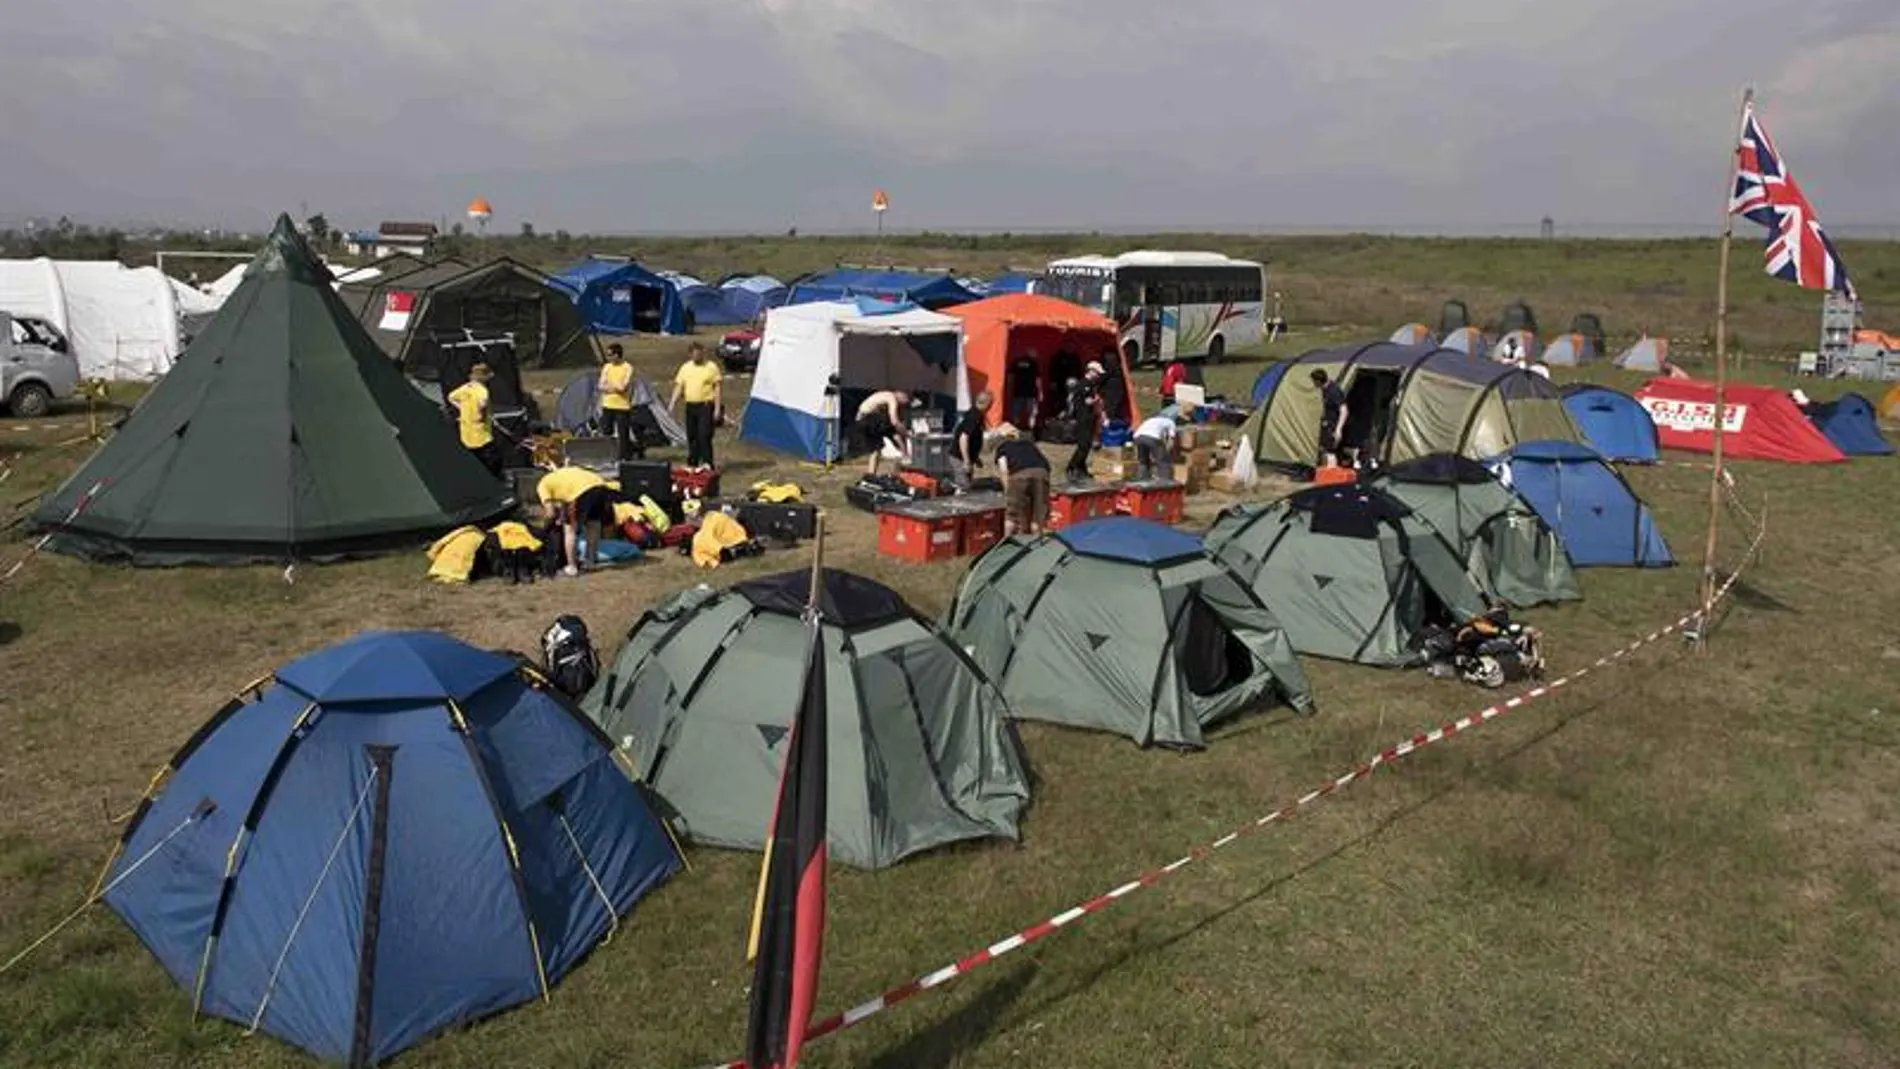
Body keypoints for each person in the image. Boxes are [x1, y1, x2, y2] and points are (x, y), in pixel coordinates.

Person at [536, 465, 616, 576]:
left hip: (580, 491)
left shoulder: (542, 484)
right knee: (593, 524)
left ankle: (572, 567)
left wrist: (543, 531)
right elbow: (564, 500)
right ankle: (590, 562)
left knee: (569, 530)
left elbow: (550, 513)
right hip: (600, 486)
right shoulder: (562, 473)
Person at [669, 342, 723, 469]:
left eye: (699, 354)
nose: (697, 356)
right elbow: (679, 386)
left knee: (704, 435)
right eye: (694, 354)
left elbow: (717, 388)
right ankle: (692, 463)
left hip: (705, 405)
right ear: (690, 354)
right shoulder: (685, 368)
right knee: (692, 436)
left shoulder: (711, 367)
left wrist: (717, 408)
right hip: (690, 406)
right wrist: (672, 403)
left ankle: (707, 463)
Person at [993, 424, 1051, 536]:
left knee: (1012, 516)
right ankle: (1037, 545)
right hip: (1042, 472)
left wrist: (1007, 490)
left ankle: (1007, 544)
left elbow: (1004, 470)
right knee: (1038, 517)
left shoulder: (1003, 447)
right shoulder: (1029, 444)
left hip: (1019, 474)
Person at [446, 362, 502, 476]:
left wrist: (462, 408)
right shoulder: (482, 390)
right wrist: (482, 412)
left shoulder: (465, 388)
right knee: (493, 459)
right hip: (481, 432)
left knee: (472, 459)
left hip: (466, 431)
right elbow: (483, 402)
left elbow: (451, 397)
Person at [852, 389, 912, 475]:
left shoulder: (884, 396)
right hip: (867, 420)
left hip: (861, 421)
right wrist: (906, 433)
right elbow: (894, 420)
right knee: (896, 432)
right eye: (905, 402)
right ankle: (905, 457)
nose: (904, 405)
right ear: (902, 396)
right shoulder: (891, 397)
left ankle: (871, 475)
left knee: (876, 450)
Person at [1063, 362, 1105, 482]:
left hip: (1090, 417)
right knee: (1083, 445)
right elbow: (1086, 402)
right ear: (1090, 371)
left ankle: (1082, 469)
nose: (1098, 376)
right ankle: (1071, 467)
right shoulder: (1083, 384)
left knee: (1087, 446)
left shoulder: (1091, 384)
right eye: (1097, 373)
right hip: (1083, 418)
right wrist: (1096, 400)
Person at [597, 344, 637, 461]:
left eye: (610, 355)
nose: (608, 357)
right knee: (606, 433)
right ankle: (608, 456)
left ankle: (624, 457)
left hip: (622, 406)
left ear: (617, 355)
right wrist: (614, 387)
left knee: (623, 434)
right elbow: (601, 385)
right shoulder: (607, 367)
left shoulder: (627, 368)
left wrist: (610, 385)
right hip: (607, 405)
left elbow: (623, 387)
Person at [951, 391, 991, 490]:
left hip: (966, 457)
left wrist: (975, 457)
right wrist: (966, 460)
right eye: (990, 404)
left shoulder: (977, 414)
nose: (990, 407)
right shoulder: (974, 417)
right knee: (964, 487)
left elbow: (973, 438)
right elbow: (963, 438)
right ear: (986, 404)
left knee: (968, 484)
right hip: (959, 457)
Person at [1132, 409, 1183, 482]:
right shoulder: (1170, 422)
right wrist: (1168, 452)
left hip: (1138, 438)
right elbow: (1172, 439)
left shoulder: (1151, 420)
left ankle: (1143, 479)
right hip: (1152, 437)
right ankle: (1166, 480)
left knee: (1143, 460)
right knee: (1163, 460)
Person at [1311, 368, 1347, 467]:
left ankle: (1331, 476)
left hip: (1332, 426)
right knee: (1325, 450)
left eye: (1314, 381)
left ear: (1318, 381)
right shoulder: (1325, 389)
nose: (1313, 384)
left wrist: (1338, 429)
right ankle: (1325, 473)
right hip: (1327, 425)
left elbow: (1344, 410)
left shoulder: (1334, 391)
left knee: (1330, 451)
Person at [1006, 350, 1042, 431]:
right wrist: (1040, 392)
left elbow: (1010, 377)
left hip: (1018, 391)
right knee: (1032, 413)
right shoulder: (1034, 363)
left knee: (1016, 412)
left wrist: (1009, 389)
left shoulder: (1016, 362)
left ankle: (1016, 428)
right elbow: (1038, 379)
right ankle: (1031, 430)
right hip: (1031, 392)